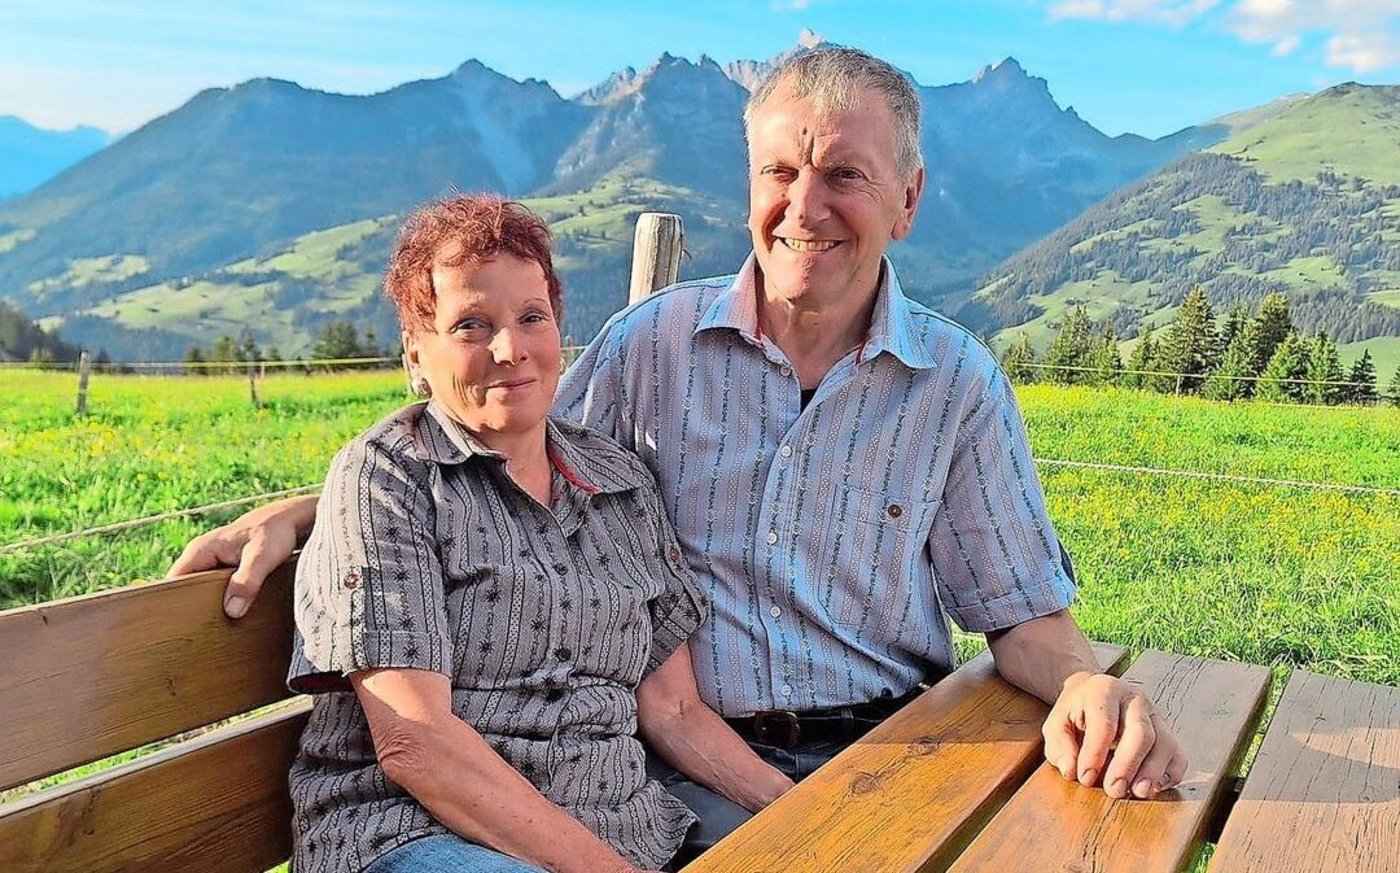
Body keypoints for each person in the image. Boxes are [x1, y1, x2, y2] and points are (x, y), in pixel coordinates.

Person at [173, 47, 1186, 858]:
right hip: (679, 766)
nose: (803, 207)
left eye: (843, 176)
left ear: (907, 200)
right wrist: (318, 507)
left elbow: (1021, 614)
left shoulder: (955, 384)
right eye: (779, 172)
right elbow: (487, 431)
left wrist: (1086, 682)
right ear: (748, 184)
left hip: (893, 745)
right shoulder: (652, 347)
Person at [281, 194, 793, 873]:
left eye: (531, 317)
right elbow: (417, 742)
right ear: (416, 352)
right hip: (417, 833)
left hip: (622, 825)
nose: (510, 349)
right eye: (471, 324)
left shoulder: (617, 482)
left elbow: (672, 706)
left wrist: (806, 809)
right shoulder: (392, 479)